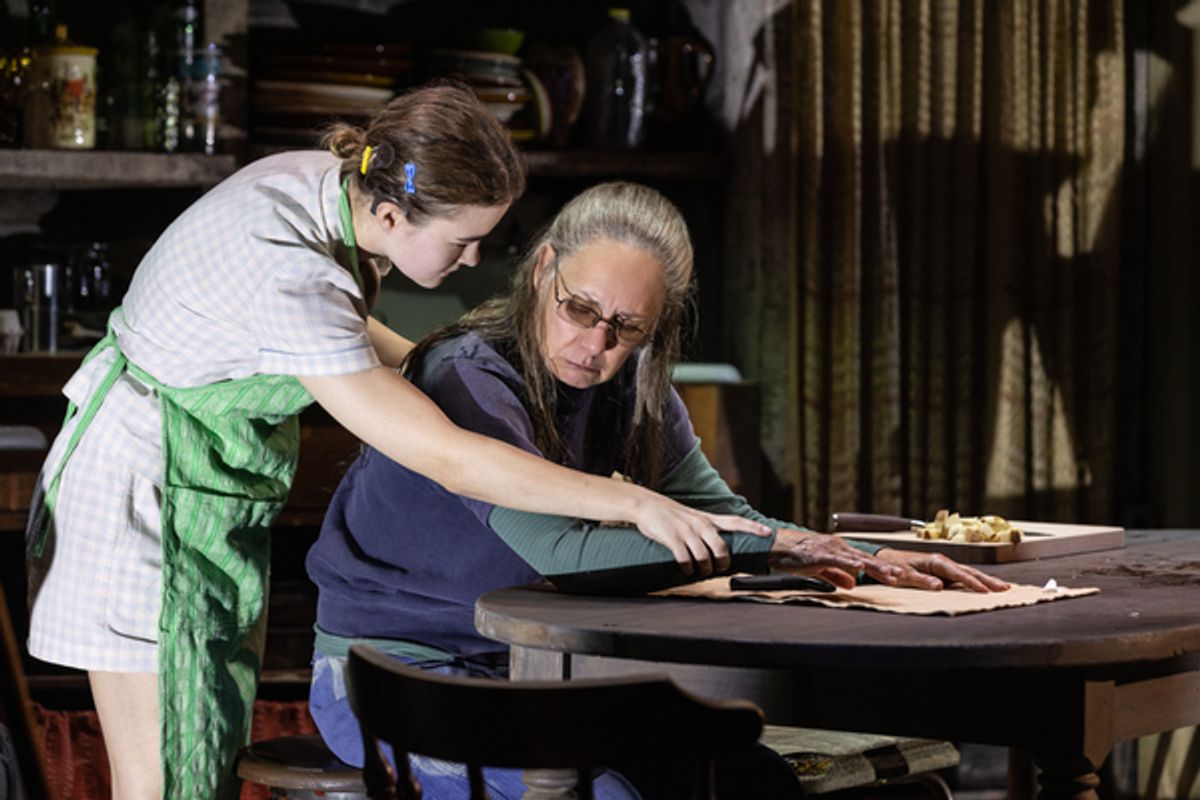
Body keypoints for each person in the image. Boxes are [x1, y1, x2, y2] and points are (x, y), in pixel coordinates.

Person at [23, 85, 770, 800]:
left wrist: (440, 360)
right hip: (142, 500)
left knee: (203, 757)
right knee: (164, 778)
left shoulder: (334, 184)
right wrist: (630, 500)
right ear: (390, 214)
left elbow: (350, 338)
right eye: (464, 241)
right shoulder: (290, 271)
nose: (476, 261)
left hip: (202, 501)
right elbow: (449, 455)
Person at [305, 181, 1010, 799]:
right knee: (603, 794)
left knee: (752, 777)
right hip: (397, 678)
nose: (596, 344)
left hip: (537, 676)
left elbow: (723, 513)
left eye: (628, 327)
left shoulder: (634, 391)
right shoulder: (469, 376)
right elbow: (558, 548)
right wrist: (776, 551)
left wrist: (860, 555)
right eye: (580, 309)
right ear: (544, 267)